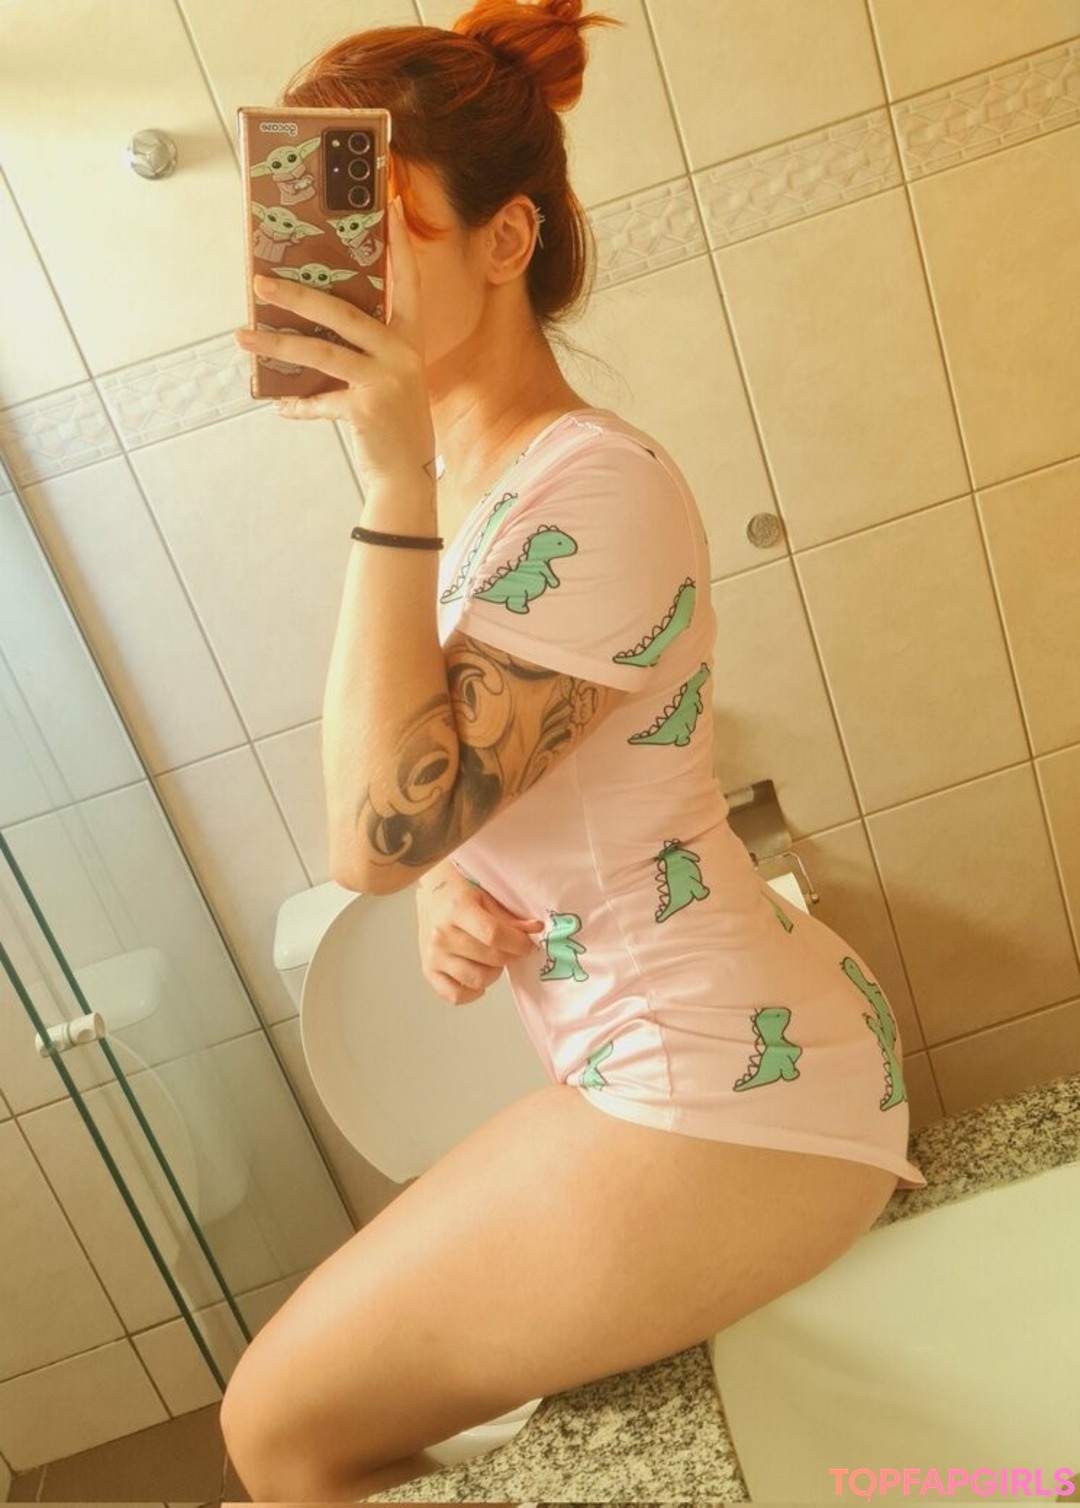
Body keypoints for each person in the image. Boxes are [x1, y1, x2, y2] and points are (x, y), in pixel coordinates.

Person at [222, 0, 926, 1499]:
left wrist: (389, 478)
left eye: (387, 224)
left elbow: (365, 830)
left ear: (506, 239)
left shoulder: (590, 487)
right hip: (679, 1056)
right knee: (284, 1418)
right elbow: (435, 791)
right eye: (329, 231)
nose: (351, 272)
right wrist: (447, 876)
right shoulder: (478, 491)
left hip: (728, 1083)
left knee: (275, 1429)